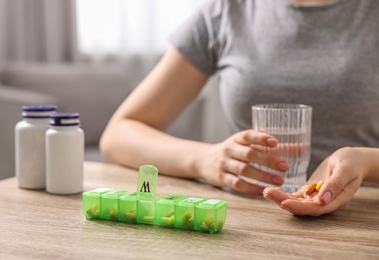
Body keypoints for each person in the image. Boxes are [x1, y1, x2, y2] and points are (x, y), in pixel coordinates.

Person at [100, 0, 379, 215]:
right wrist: (206, 159)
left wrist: (364, 163)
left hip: (359, 221)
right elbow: (118, 135)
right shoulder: (228, 10)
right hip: (242, 219)